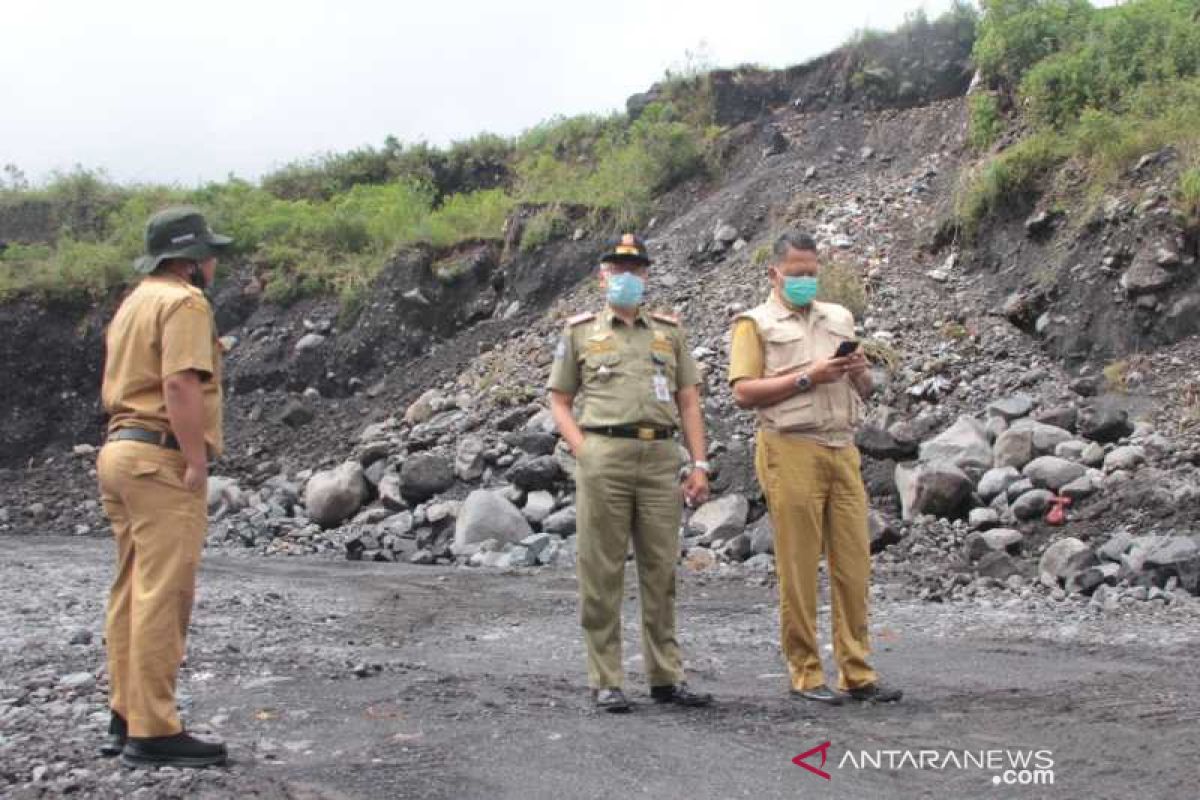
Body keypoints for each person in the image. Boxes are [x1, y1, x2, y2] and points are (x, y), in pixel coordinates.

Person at [727, 232, 901, 705]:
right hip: (790, 446)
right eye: (796, 272)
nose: (805, 279)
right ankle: (806, 672)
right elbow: (743, 393)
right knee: (799, 565)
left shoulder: (839, 318)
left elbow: (864, 391)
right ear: (775, 272)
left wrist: (859, 370)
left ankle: (857, 670)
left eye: (811, 272)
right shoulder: (754, 324)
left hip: (841, 447)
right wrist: (808, 376)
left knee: (853, 564)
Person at [547, 233, 713, 713]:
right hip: (605, 455)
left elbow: (688, 401)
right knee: (601, 571)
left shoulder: (668, 332)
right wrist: (583, 450)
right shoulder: (580, 332)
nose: (627, 278)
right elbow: (559, 400)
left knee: (661, 570)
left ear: (646, 276)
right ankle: (606, 679)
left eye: (636, 271)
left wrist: (699, 463)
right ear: (603, 277)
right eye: (618, 271)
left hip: (661, 457)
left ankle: (665, 676)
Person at [97, 206, 232, 766]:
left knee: (131, 589)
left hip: (120, 453)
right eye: (210, 253)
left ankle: (125, 714)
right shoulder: (183, 302)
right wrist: (196, 460)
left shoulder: (133, 303)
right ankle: (153, 730)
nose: (216, 261)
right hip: (160, 458)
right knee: (163, 594)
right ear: (190, 260)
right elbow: (179, 383)